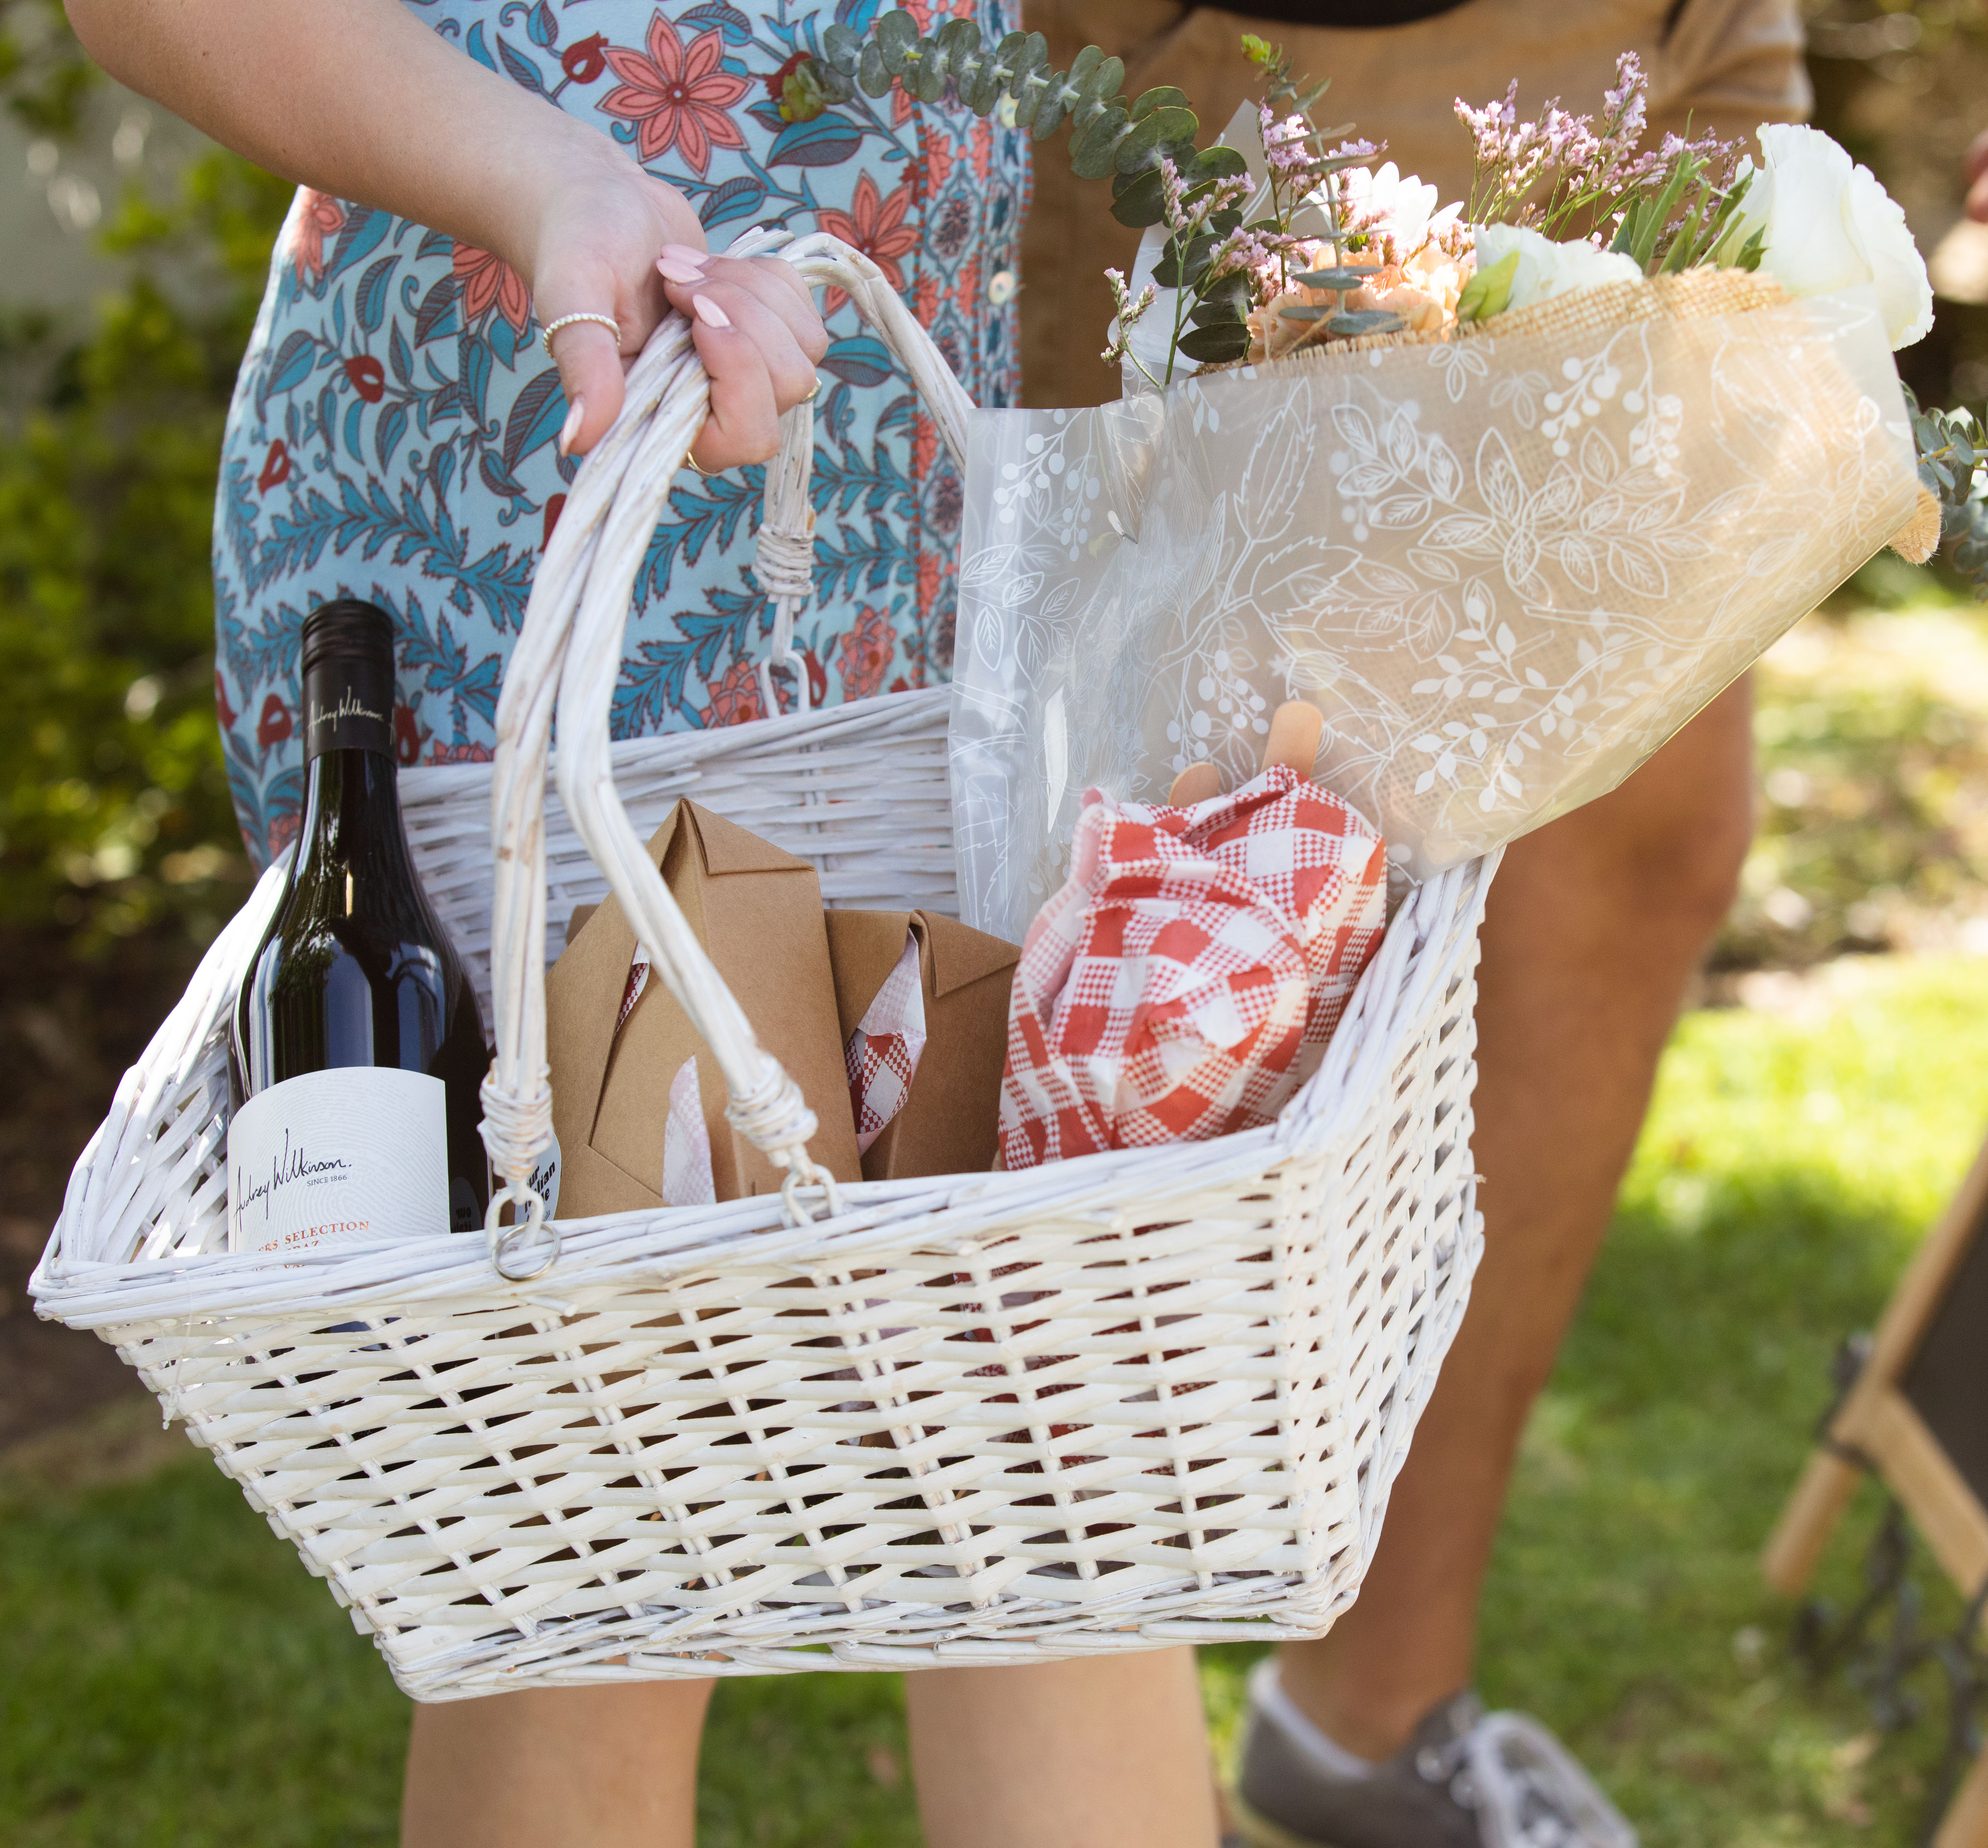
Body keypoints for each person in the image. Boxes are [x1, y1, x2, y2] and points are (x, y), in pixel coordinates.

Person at [61, 2, 1217, 1844]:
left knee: (1048, 1438)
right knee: (582, 1522)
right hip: (522, 500)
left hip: (907, 507)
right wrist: (557, 181)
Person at [1015, 1, 1988, 1844]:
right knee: (1226, 823)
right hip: (1335, 39)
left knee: (1645, 814)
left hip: (1673, 24)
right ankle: (1082, 1715)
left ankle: (1370, 1719)